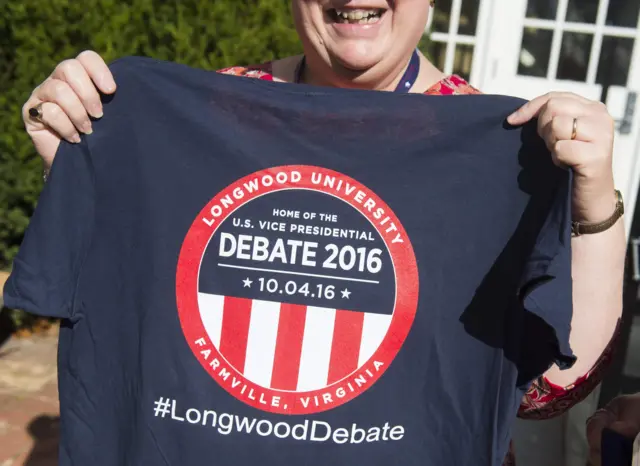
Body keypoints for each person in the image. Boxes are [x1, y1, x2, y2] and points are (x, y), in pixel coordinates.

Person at [18, 1, 626, 464]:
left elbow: (549, 391)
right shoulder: (202, 119)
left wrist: (593, 203)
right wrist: (80, 160)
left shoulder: (506, 159)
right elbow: (135, 307)